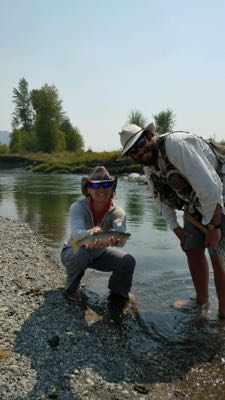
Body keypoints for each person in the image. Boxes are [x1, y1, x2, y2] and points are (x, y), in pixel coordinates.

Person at [118, 123, 225, 318]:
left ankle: (223, 313)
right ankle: (201, 302)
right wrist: (176, 229)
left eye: (141, 143)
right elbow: (160, 200)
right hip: (195, 204)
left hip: (219, 198)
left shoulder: (175, 146)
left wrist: (214, 227)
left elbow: (212, 189)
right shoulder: (149, 167)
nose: (140, 151)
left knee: (218, 256)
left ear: (150, 135)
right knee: (192, 248)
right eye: (133, 151)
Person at [61, 165, 136, 303]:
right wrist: (92, 232)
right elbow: (76, 233)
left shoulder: (118, 212)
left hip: (100, 254)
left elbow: (122, 237)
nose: (101, 189)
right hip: (74, 250)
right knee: (80, 256)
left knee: (128, 260)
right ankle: (71, 289)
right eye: (95, 186)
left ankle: (120, 293)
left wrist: (117, 239)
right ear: (88, 189)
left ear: (112, 188)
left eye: (106, 184)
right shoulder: (78, 207)